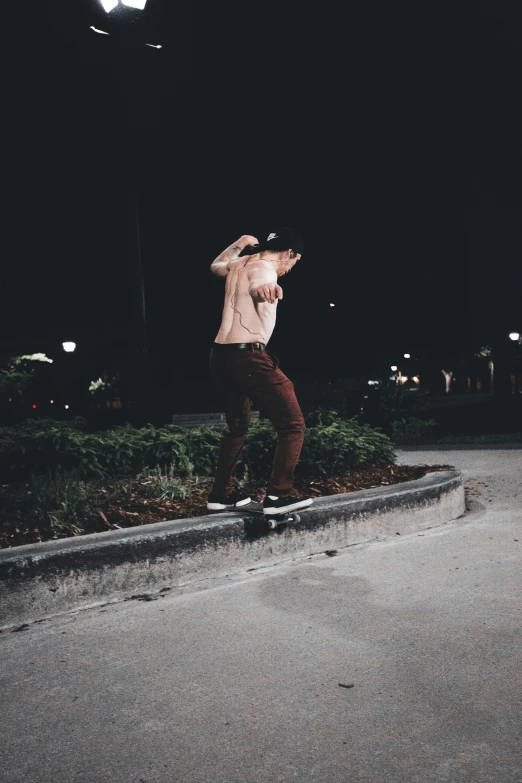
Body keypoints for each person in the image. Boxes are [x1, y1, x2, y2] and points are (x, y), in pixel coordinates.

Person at [207, 226, 313, 517]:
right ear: (290, 254)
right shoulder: (265, 269)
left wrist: (239, 242)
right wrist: (264, 289)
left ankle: (222, 494)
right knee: (292, 425)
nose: (291, 268)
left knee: (237, 426)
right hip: (249, 359)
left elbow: (215, 266)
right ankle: (280, 494)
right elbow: (260, 282)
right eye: (295, 262)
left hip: (219, 357)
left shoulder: (238, 263)